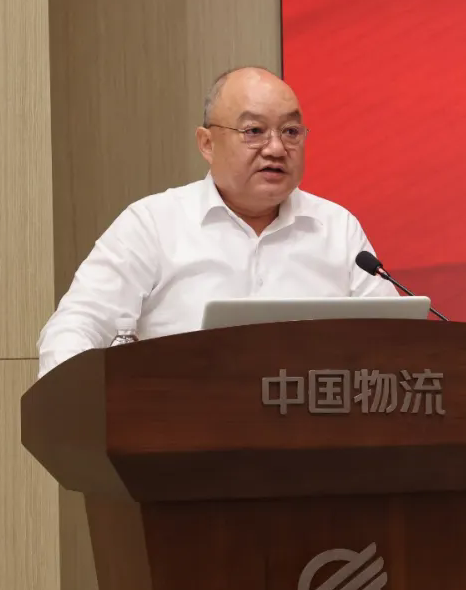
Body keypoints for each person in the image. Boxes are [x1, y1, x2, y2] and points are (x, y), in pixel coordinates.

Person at [36, 66, 398, 377]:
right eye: (254, 131)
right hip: (181, 427)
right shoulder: (153, 224)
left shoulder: (337, 228)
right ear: (207, 143)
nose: (276, 148)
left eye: (290, 132)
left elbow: (397, 340)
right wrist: (86, 408)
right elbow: (75, 327)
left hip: (318, 427)